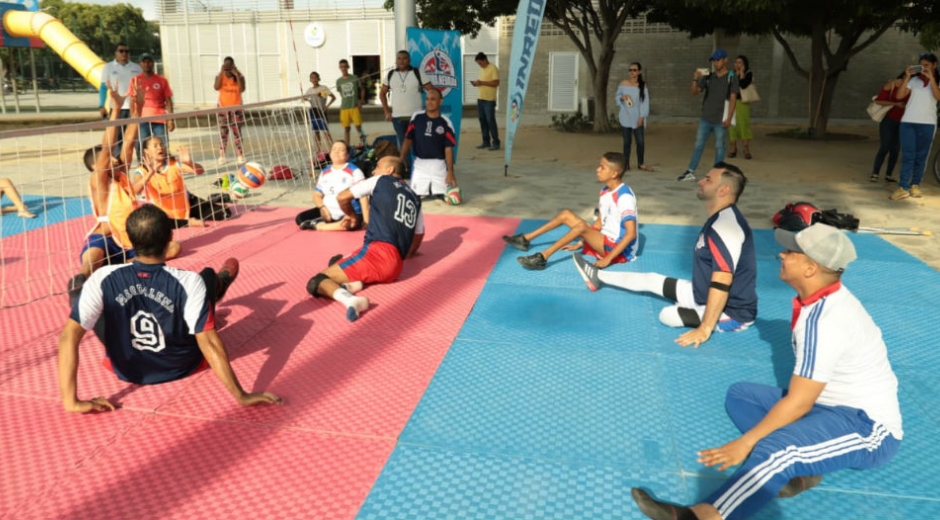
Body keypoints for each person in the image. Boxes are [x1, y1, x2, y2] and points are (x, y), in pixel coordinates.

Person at [631, 223, 902, 520]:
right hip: (826, 408)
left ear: (811, 269)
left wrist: (745, 443)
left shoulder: (826, 320)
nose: (781, 255)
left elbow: (800, 402)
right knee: (741, 395)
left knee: (778, 448)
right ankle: (799, 474)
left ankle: (703, 515)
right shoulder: (818, 300)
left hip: (867, 427)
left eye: (790, 252)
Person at [58, 204, 283, 413]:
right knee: (206, 277)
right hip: (181, 366)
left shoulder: (102, 277)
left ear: (129, 240)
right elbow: (209, 342)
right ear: (170, 238)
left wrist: (72, 401)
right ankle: (217, 285)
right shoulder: (188, 281)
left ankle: (206, 303)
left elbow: (69, 337)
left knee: (83, 296)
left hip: (126, 368)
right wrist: (241, 395)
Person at [574, 163, 755, 347]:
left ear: (723, 190)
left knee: (667, 315)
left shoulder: (725, 227)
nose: (700, 181)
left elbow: (722, 279)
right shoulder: (719, 218)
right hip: (702, 293)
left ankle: (699, 314)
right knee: (651, 279)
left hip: (731, 314)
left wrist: (705, 328)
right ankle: (598, 276)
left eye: (708, 179)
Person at [305, 156, 424, 322]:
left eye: (377, 166)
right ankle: (355, 285)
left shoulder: (381, 180)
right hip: (396, 265)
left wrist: (352, 216)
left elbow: (342, 197)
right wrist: (409, 253)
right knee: (336, 260)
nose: (374, 170)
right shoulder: (415, 197)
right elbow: (419, 235)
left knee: (316, 282)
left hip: (377, 254)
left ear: (389, 171)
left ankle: (352, 300)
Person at [502, 152, 638, 271]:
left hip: (618, 250)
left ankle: (542, 257)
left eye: (602, 167)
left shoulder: (624, 197)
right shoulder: (604, 191)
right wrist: (582, 242)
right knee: (566, 214)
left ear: (614, 173)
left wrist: (608, 259)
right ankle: (525, 239)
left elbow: (631, 234)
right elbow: (600, 221)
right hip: (604, 240)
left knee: (581, 227)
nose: (597, 170)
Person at [135, 136, 230, 230]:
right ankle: (188, 222)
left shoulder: (173, 163)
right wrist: (150, 173)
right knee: (150, 225)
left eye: (161, 144)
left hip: (187, 205)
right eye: (155, 146)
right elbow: (136, 190)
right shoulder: (141, 170)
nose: (160, 147)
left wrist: (189, 162)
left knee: (224, 213)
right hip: (161, 213)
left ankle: (208, 204)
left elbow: (200, 171)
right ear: (146, 151)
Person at [678, 49, 739, 182]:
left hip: (720, 119)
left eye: (718, 60)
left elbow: (733, 98)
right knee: (699, 144)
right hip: (706, 117)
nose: (716, 63)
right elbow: (695, 92)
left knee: (719, 146)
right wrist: (695, 78)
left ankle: (717, 172)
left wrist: (729, 118)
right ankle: (690, 170)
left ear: (725, 60)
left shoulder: (732, 77)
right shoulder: (709, 77)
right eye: (714, 60)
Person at [890, 52, 940, 201]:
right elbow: (899, 96)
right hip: (908, 122)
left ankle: (915, 185)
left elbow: (938, 97)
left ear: (934, 65)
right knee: (908, 155)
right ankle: (902, 187)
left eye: (927, 65)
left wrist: (931, 78)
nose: (923, 68)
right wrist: (906, 77)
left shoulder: (937, 81)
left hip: (927, 123)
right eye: (921, 65)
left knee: (921, 156)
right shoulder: (914, 80)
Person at [295, 140, 370, 231]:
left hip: (349, 212)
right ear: (330, 153)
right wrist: (322, 208)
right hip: (328, 210)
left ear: (347, 155)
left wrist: (366, 220)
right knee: (300, 218)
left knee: (349, 223)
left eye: (341, 150)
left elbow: (363, 196)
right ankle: (330, 224)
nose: (336, 152)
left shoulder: (354, 171)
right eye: (334, 149)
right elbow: (317, 195)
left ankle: (318, 226)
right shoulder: (325, 171)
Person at [380, 50, 433, 172]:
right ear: (396, 61)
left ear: (409, 60)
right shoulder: (390, 74)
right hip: (397, 117)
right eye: (399, 58)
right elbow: (382, 93)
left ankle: (421, 169)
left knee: (418, 143)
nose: (401, 61)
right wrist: (387, 112)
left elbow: (432, 91)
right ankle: (407, 169)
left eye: (404, 58)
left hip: (416, 117)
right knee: (403, 145)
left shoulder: (417, 73)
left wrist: (430, 110)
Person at [399, 88, 458, 198]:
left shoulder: (446, 123)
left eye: (433, 99)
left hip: (439, 165)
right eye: (427, 99)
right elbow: (408, 139)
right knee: (414, 197)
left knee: (448, 197)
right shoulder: (417, 117)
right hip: (420, 165)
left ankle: (435, 189)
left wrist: (450, 172)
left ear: (440, 101)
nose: (429, 102)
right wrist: (401, 157)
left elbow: (448, 149)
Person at [98, 43, 142, 158]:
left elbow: (142, 86)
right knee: (117, 137)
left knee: (136, 137)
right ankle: (118, 162)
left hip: (134, 108)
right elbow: (103, 87)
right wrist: (101, 105)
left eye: (127, 51)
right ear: (115, 53)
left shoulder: (136, 68)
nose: (124, 54)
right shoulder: (108, 67)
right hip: (117, 108)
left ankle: (142, 162)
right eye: (121, 51)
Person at [131, 53, 174, 160]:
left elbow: (168, 101)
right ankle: (143, 167)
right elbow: (132, 100)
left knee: (162, 146)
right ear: (140, 64)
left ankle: (164, 168)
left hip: (159, 119)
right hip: (142, 119)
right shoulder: (135, 80)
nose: (146, 64)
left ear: (153, 63)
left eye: (149, 61)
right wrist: (133, 119)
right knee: (142, 145)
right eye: (144, 62)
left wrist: (170, 120)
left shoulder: (162, 80)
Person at [870, 71, 908, 183]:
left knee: (895, 149)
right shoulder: (892, 84)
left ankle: (888, 175)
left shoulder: (912, 89)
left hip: (903, 121)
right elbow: (879, 100)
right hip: (888, 119)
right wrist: (896, 104)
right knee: (885, 146)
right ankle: (875, 173)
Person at [616, 62, 652, 172]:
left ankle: (640, 163)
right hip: (626, 115)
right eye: (630, 70)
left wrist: (642, 116)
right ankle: (625, 164)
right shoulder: (623, 83)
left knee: (640, 141)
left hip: (637, 116)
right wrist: (621, 98)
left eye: (634, 70)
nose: (632, 72)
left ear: (639, 71)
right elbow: (617, 96)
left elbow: (645, 102)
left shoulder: (642, 85)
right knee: (627, 142)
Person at [214, 56, 247, 165]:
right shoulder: (220, 76)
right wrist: (221, 72)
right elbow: (216, 87)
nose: (228, 68)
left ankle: (240, 154)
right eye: (226, 66)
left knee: (237, 132)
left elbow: (242, 89)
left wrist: (236, 74)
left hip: (236, 108)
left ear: (233, 65)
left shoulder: (240, 76)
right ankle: (222, 155)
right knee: (223, 133)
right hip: (223, 108)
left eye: (230, 66)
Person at [471, 52, 500, 151]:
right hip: (481, 98)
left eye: (480, 63)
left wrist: (482, 82)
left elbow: (496, 82)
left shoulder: (493, 68)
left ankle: (496, 142)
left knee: (490, 121)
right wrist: (477, 83)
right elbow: (483, 83)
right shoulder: (481, 70)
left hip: (489, 100)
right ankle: (485, 141)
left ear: (484, 60)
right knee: (482, 120)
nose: (479, 65)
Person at [728, 55, 753, 160]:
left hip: (742, 102)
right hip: (731, 101)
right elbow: (728, 85)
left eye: (740, 62)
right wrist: (735, 75)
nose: (737, 64)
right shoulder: (731, 73)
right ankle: (733, 148)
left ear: (744, 64)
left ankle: (746, 149)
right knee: (732, 125)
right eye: (736, 62)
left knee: (743, 125)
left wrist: (741, 73)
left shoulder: (749, 73)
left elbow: (743, 85)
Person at [303, 71, 335, 152]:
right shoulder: (309, 90)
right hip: (313, 111)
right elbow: (306, 98)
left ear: (318, 78)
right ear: (310, 80)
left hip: (321, 110)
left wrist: (326, 107)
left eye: (315, 77)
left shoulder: (323, 88)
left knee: (325, 131)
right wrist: (306, 99)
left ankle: (332, 148)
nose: (314, 79)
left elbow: (333, 97)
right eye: (312, 78)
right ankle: (319, 149)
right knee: (316, 131)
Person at [336, 59, 366, 146]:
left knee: (358, 126)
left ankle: (363, 142)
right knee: (346, 128)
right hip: (344, 107)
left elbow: (362, 89)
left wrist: (361, 101)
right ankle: (347, 145)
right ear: (339, 68)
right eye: (342, 67)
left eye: (345, 66)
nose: (343, 68)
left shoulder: (354, 78)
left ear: (348, 67)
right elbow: (341, 93)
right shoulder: (339, 81)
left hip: (354, 106)